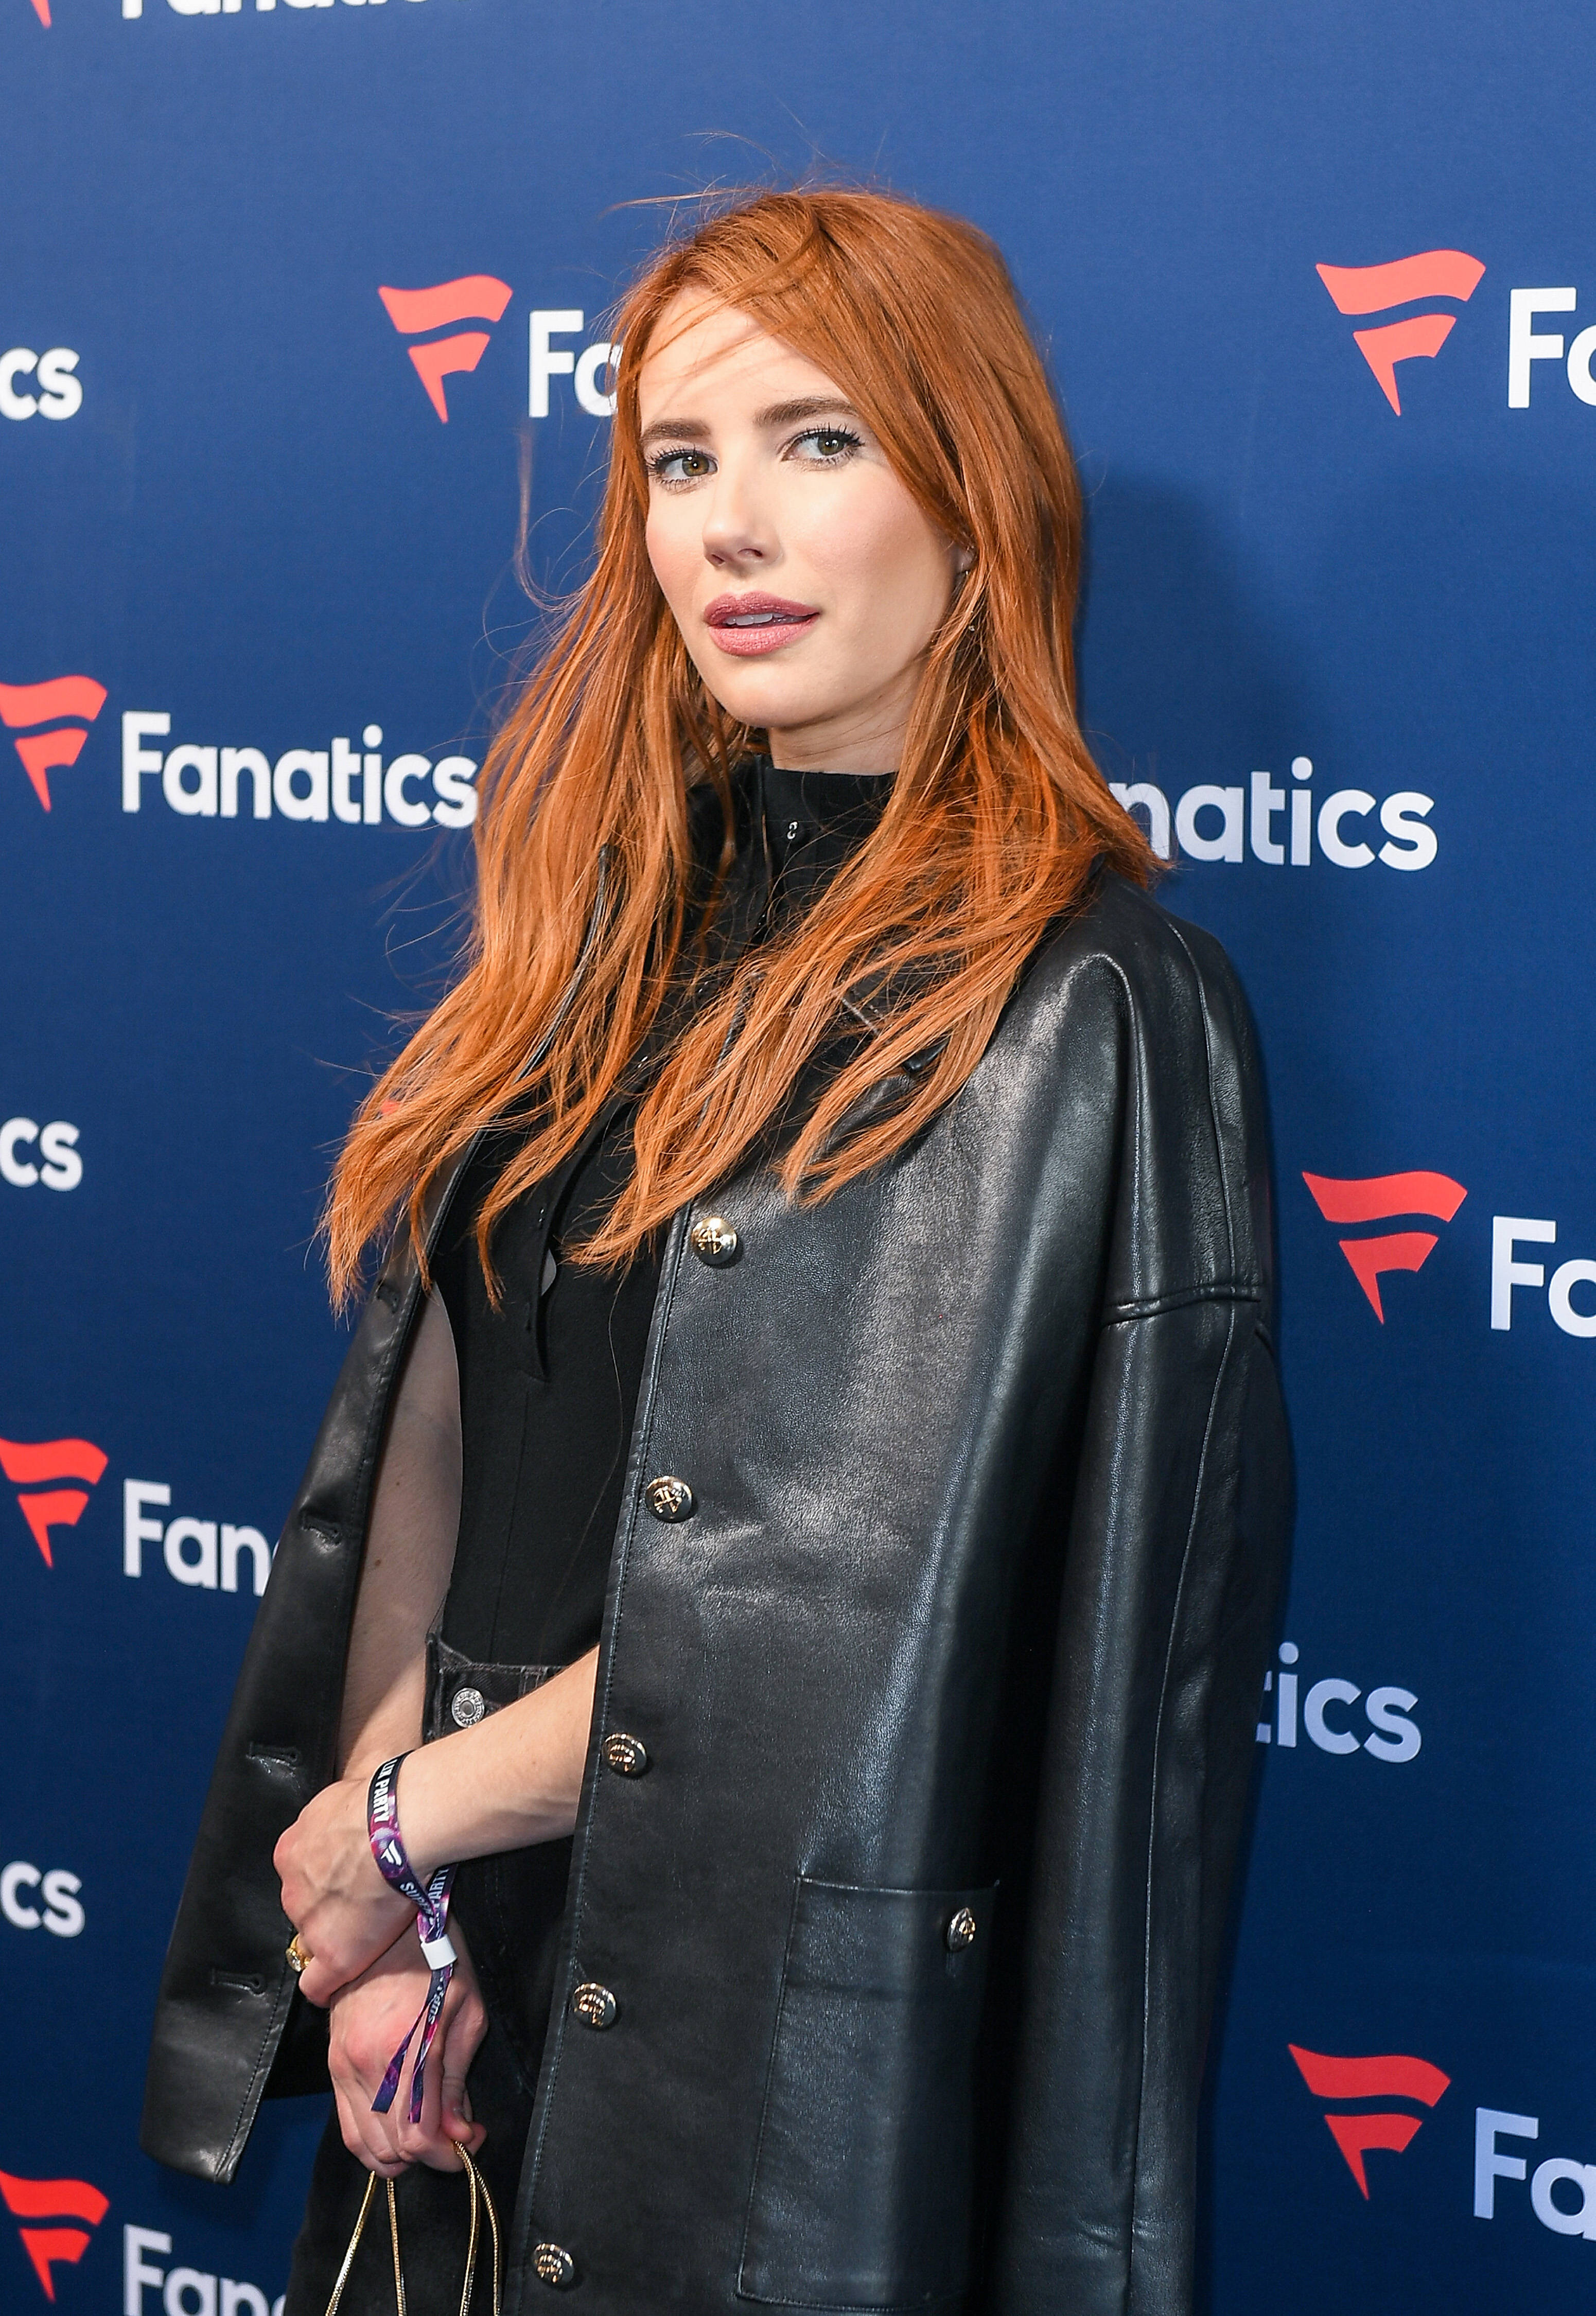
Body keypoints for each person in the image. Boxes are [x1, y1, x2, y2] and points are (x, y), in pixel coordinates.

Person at [142, 185, 1291, 2316]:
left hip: (764, 2047)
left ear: (973, 503)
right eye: (680, 460)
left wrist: (399, 1825)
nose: (729, 526)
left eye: (816, 441)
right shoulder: (584, 952)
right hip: (462, 1981)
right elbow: (448, 1445)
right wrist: (393, 1897)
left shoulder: (1081, 1008)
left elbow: (830, 1601)